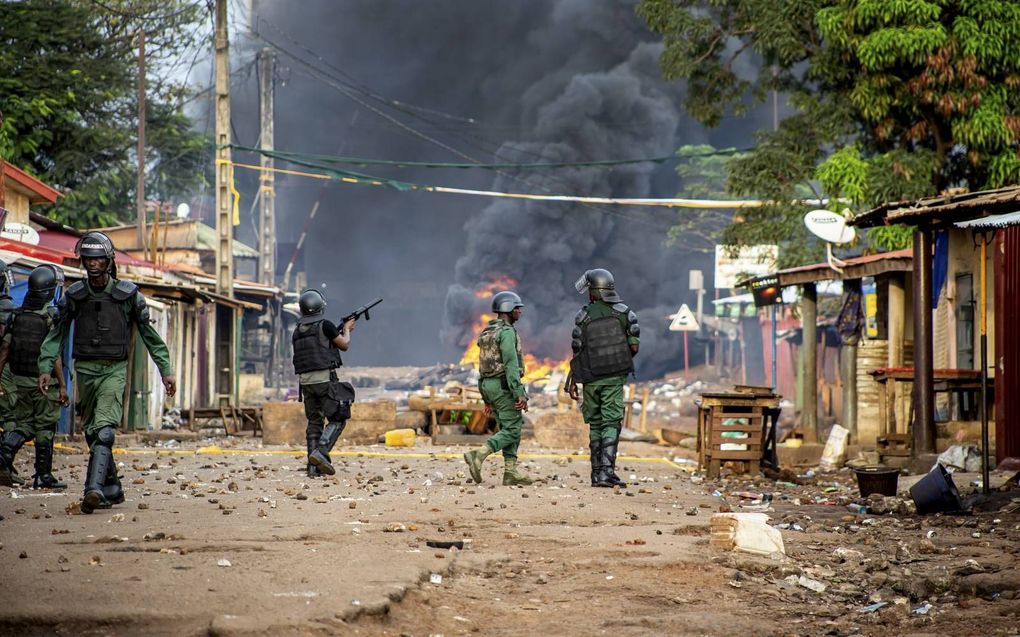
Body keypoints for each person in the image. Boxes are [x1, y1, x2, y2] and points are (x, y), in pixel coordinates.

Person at [37, 232, 176, 513]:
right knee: (92, 433)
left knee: (105, 432)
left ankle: (93, 490)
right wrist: (44, 367)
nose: (94, 263)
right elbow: (57, 333)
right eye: (89, 258)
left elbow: (150, 336)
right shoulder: (74, 295)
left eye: (99, 258)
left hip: (114, 369)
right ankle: (112, 487)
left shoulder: (127, 295)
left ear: (109, 260)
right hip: (85, 369)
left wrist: (166, 371)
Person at [566, 269, 640, 488]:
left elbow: (577, 350)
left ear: (594, 290)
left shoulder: (584, 315)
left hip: (591, 379)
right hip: (613, 379)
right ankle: (607, 473)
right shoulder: (625, 314)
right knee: (610, 421)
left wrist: (575, 380)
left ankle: (597, 474)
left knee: (596, 423)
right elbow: (634, 347)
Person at [0, 265, 70, 488]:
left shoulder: (17, 315)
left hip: (19, 380)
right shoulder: (50, 317)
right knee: (45, 426)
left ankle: (5, 455)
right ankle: (43, 475)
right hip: (43, 382)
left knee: (24, 423)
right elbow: (54, 354)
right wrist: (61, 385)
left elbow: (4, 350)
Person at [463, 290, 533, 486]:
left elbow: (482, 367)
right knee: (513, 429)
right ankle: (479, 454)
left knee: (507, 427)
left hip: (489, 386)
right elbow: (511, 365)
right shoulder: (507, 332)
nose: (520, 311)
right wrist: (520, 393)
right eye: (517, 308)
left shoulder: (487, 332)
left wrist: (486, 398)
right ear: (507, 309)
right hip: (504, 386)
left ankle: (510, 472)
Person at [292, 288, 355, 477]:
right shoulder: (325, 325)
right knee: (338, 418)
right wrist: (346, 330)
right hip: (324, 380)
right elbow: (344, 345)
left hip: (305, 384)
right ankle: (321, 451)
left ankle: (313, 468)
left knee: (314, 422)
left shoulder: (297, 331)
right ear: (320, 307)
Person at [0, 259, 24, 486]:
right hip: (4, 369)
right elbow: (5, 345)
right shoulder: (6, 307)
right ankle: (3, 463)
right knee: (11, 418)